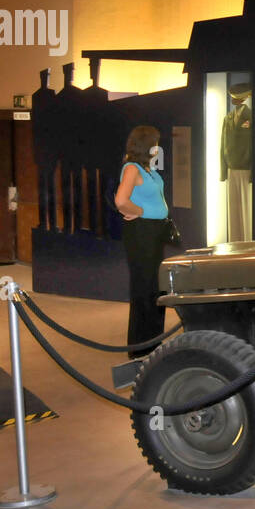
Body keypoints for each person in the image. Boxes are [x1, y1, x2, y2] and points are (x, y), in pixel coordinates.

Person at [114, 125, 170, 357]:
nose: (158, 146)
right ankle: (140, 346)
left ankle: (154, 341)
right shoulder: (131, 168)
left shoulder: (148, 168)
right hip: (141, 233)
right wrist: (140, 211)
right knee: (144, 287)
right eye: (155, 142)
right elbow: (120, 201)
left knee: (155, 288)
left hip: (155, 233)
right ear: (145, 144)